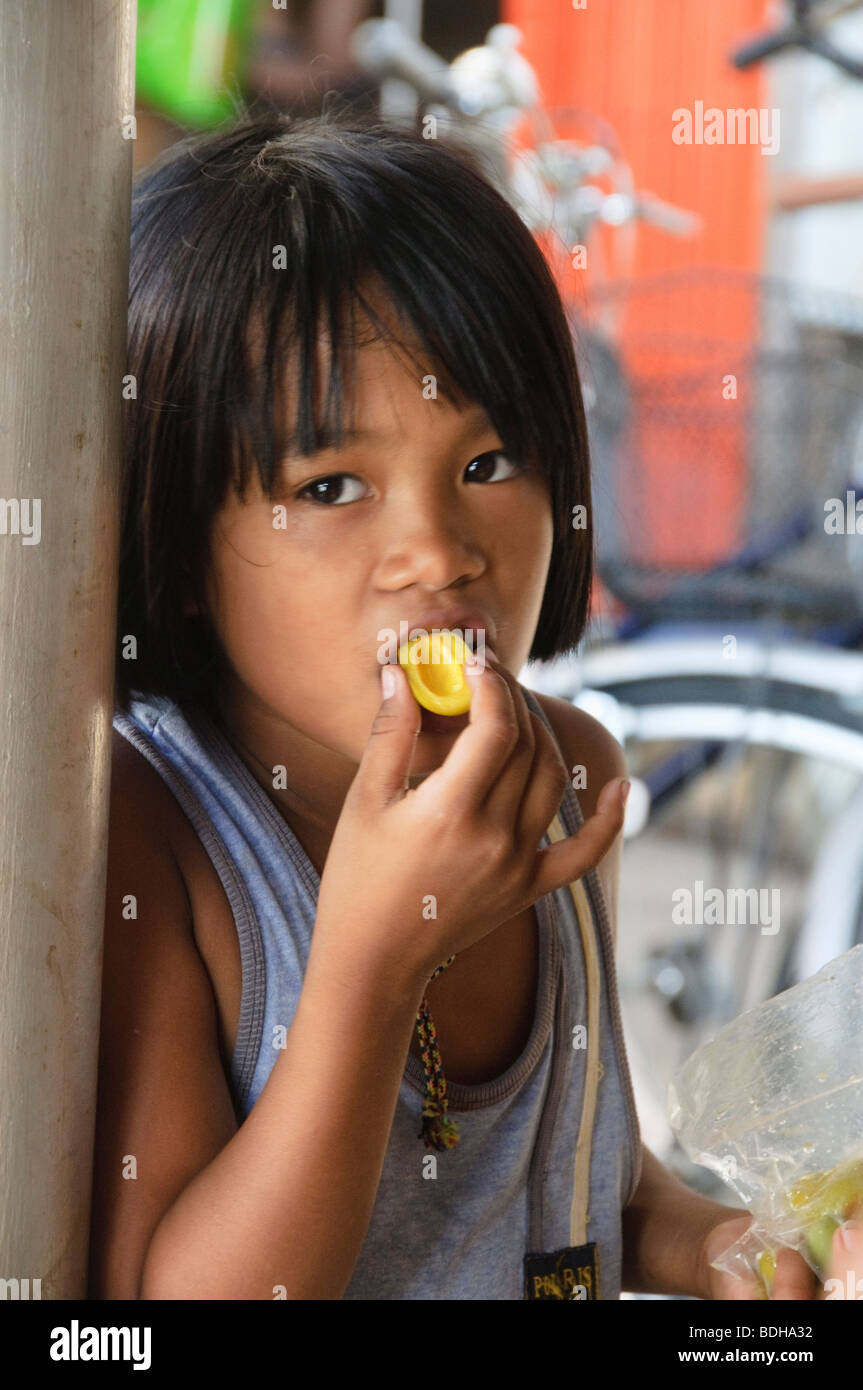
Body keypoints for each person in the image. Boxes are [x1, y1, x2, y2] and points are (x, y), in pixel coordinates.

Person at [87, 106, 812, 1301]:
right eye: (329, 486)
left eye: (485, 466)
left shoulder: (565, 777)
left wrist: (729, 1252)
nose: (434, 550)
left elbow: (582, 1179)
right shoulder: (154, 836)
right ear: (175, 547)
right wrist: (371, 961)